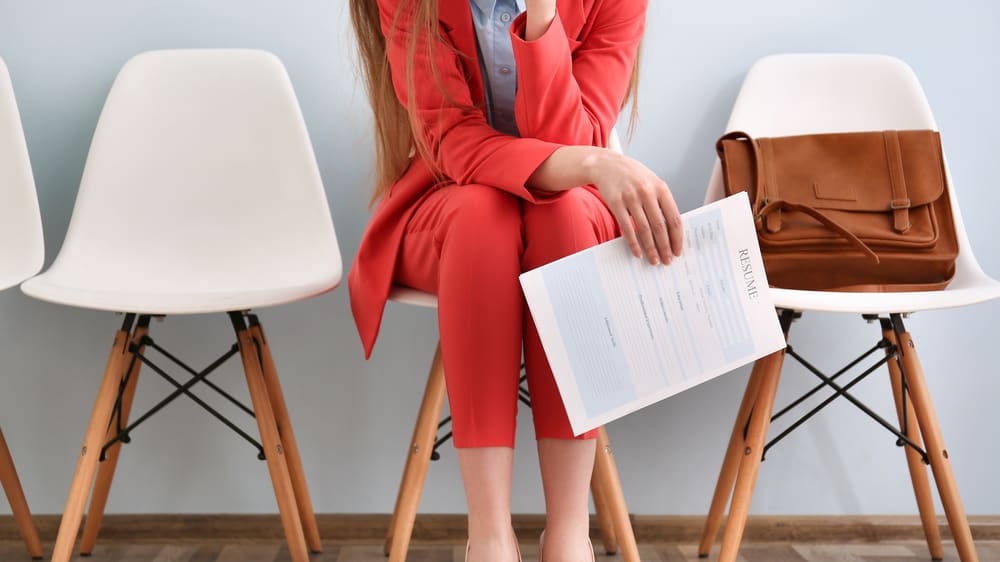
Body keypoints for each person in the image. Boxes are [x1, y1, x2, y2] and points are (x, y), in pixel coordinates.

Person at [348, 0, 683, 559]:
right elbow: (453, 143)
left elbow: (577, 134)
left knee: (566, 214)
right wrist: (597, 165)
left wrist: (543, 16)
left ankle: (569, 533)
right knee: (484, 216)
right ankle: (490, 535)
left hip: (572, 216)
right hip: (448, 210)